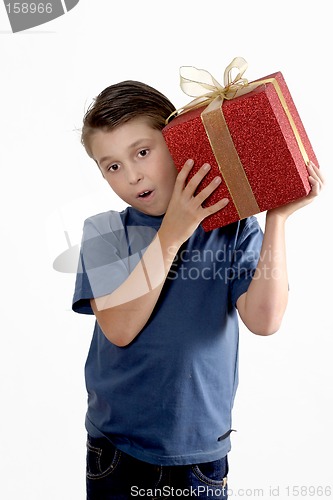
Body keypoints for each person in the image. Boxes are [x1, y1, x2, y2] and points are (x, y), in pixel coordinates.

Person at [72, 80, 324, 500]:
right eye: (112, 166)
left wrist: (276, 218)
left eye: (142, 152)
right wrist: (173, 232)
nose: (132, 175)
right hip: (116, 449)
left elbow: (265, 320)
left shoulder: (234, 227)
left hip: (200, 453)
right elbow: (118, 327)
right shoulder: (103, 232)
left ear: (174, 141)